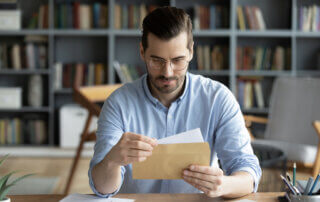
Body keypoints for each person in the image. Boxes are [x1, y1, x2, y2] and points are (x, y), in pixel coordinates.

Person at [89, 6, 261, 198]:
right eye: (157, 60)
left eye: (178, 60)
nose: (167, 72)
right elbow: (101, 188)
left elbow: (248, 171)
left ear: (191, 52)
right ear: (142, 52)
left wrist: (223, 185)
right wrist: (112, 161)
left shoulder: (218, 99)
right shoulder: (118, 103)